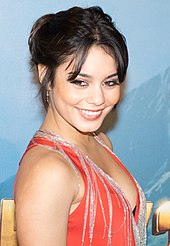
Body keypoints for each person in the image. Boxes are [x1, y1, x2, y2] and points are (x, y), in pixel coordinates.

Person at [14, 6, 146, 246]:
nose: (98, 99)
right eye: (80, 82)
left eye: (110, 82)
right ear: (45, 74)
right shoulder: (49, 171)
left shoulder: (100, 140)